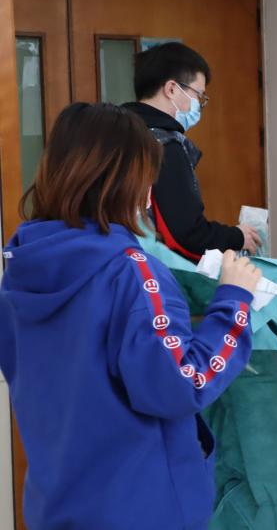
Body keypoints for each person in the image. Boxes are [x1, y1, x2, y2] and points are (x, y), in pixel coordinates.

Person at [0, 102, 261, 529]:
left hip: (56, 503)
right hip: (140, 506)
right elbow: (183, 383)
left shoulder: (21, 269)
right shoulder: (131, 273)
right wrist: (234, 302)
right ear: (128, 181)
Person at [123, 42, 261, 261]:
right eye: (198, 95)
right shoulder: (164, 146)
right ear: (171, 89)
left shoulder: (116, 134)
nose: (199, 104)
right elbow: (186, 235)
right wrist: (236, 236)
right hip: (151, 269)